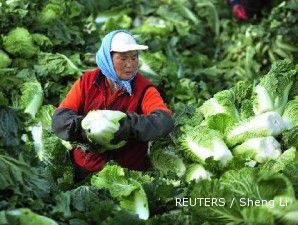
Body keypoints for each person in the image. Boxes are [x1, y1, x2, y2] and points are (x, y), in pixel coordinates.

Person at [52, 30, 174, 180]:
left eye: (134, 58)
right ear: (107, 59)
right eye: (123, 59)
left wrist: (127, 126)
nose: (130, 65)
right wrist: (84, 129)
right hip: (84, 169)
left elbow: (164, 120)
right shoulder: (86, 82)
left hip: (127, 176)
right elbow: (60, 119)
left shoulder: (144, 88)